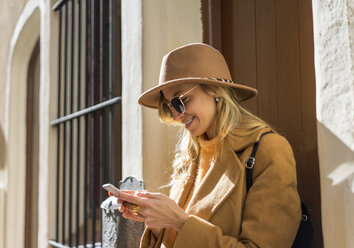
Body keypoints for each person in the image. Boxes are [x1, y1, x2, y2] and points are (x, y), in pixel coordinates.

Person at [113, 43, 301, 247]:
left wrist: (180, 222)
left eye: (180, 101)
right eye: (169, 108)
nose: (176, 115)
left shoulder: (268, 149)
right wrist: (160, 223)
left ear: (213, 90)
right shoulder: (189, 158)